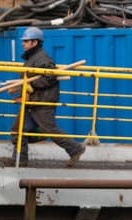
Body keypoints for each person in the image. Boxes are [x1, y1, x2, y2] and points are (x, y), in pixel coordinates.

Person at [14, 27, 84, 166]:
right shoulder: (32, 57)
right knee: (18, 130)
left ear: (35, 42)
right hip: (33, 101)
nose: (23, 43)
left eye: (26, 41)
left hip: (42, 101)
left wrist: (32, 86)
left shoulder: (42, 58)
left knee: (49, 129)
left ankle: (75, 149)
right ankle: (19, 161)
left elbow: (50, 77)